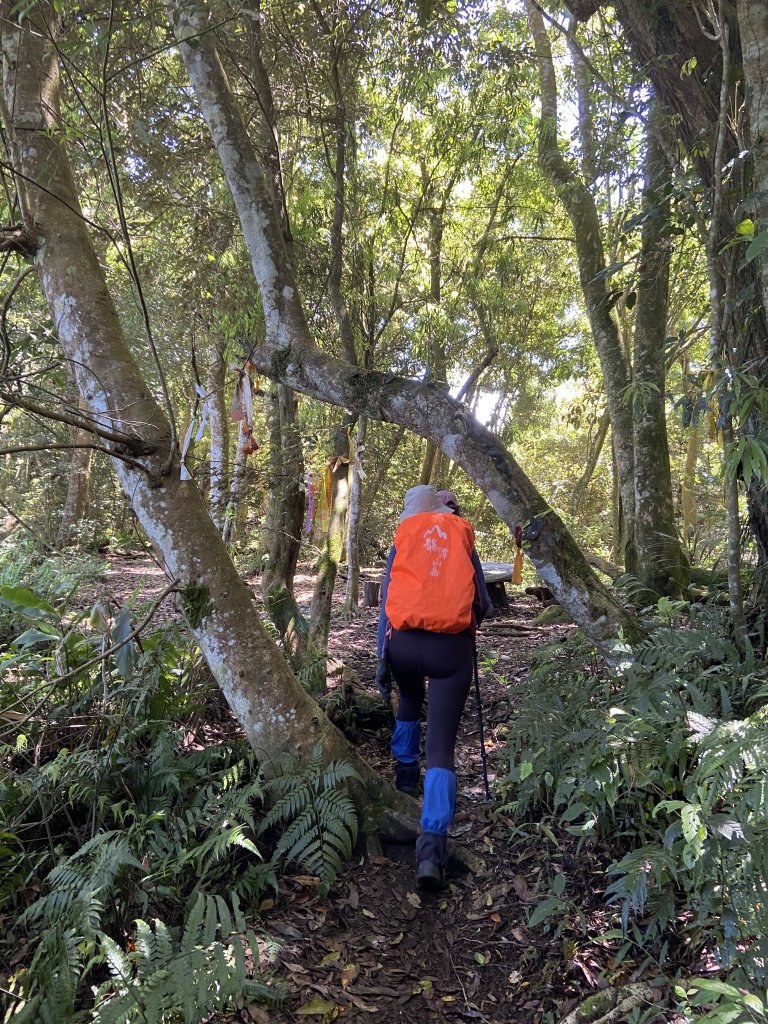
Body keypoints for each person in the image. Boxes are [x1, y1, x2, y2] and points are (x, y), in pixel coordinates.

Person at [375, 484, 490, 889]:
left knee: (408, 698)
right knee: (441, 748)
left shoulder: (402, 538)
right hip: (449, 651)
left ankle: (404, 777)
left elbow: (387, 604)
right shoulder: (461, 533)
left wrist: (381, 660)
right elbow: (484, 604)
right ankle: (431, 851)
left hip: (403, 645)